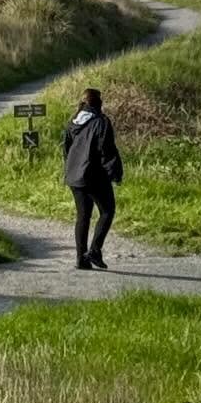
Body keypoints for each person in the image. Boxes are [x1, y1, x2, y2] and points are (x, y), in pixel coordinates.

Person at [63, 86, 123, 270]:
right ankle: (95, 251)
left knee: (83, 216)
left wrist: (70, 168)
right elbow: (106, 150)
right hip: (93, 175)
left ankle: (81, 259)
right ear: (99, 103)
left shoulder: (74, 121)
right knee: (107, 211)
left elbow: (66, 149)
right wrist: (115, 173)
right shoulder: (101, 122)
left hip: (74, 175)